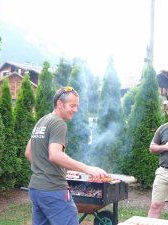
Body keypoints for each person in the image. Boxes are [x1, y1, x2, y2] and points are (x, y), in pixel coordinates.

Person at [25, 86, 107, 225]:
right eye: (72, 105)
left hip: (36, 189)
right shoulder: (58, 123)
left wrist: (44, 169)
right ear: (59, 104)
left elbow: (28, 152)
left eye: (77, 106)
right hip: (54, 190)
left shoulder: (42, 121)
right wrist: (87, 169)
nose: (75, 109)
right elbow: (55, 155)